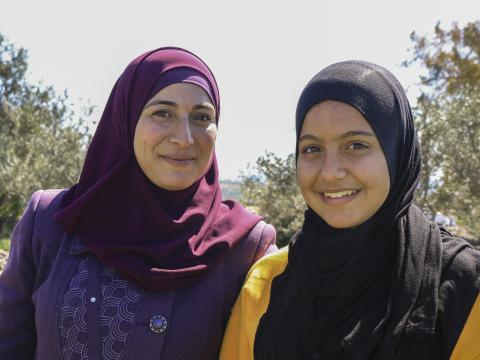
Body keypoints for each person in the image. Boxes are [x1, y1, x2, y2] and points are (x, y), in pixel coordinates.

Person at [0, 47, 276, 360]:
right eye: (163, 113)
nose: (185, 137)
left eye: (201, 117)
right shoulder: (52, 220)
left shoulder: (245, 246)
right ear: (127, 120)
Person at [219, 61, 480, 360]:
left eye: (356, 145)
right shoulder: (267, 283)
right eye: (312, 149)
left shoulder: (464, 289)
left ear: (397, 153)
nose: (330, 173)